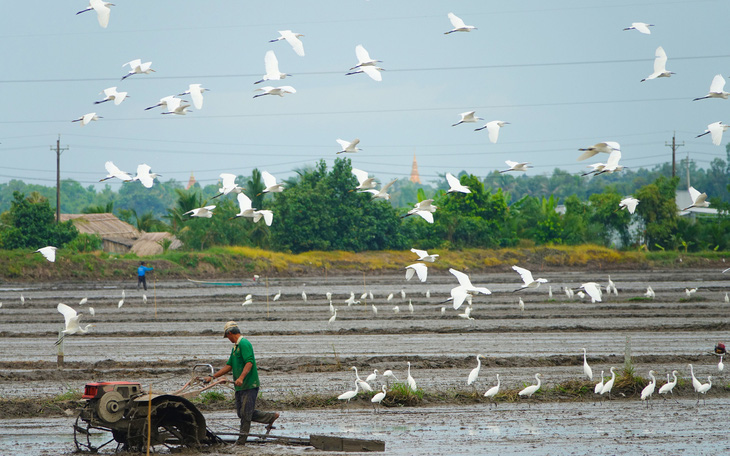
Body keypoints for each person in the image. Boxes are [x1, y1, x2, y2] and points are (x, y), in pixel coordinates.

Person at [204, 321, 279, 445]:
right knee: (241, 413)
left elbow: (249, 362)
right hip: (240, 387)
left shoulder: (244, 344)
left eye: (227, 336)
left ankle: (241, 442)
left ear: (230, 333)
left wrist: (241, 378)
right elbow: (229, 365)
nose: (227, 339)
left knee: (245, 415)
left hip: (249, 385)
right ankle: (270, 417)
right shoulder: (235, 347)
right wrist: (212, 377)